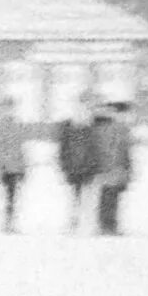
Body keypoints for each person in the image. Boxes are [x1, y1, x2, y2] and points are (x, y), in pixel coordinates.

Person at [56, 95, 101, 232]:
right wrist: (64, 164)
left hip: (86, 166)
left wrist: (95, 164)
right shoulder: (69, 126)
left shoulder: (92, 126)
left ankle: (85, 222)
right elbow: (63, 148)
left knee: (87, 195)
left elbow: (96, 147)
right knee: (76, 196)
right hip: (75, 166)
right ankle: (75, 221)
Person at [93, 100, 135, 235]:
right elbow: (113, 149)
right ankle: (107, 225)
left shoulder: (118, 128)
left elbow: (125, 150)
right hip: (110, 168)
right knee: (108, 197)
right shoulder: (111, 128)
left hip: (115, 168)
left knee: (110, 197)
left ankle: (108, 225)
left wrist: (127, 168)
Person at [0, 97, 31, 233]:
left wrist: (23, 167)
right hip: (6, 168)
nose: (9, 111)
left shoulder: (16, 126)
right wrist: (0, 167)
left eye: (10, 108)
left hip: (15, 167)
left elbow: (21, 149)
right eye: (6, 108)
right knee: (9, 196)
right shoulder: (0, 127)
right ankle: (8, 222)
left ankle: (10, 222)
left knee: (12, 196)